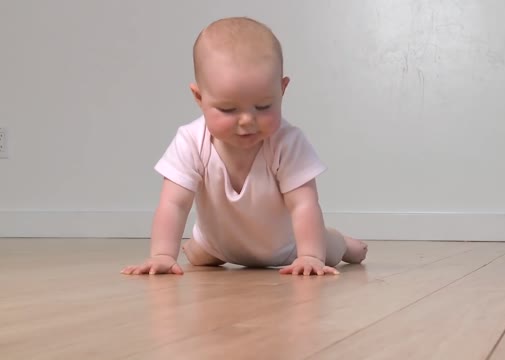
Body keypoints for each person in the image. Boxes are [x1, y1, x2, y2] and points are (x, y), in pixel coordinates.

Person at [121, 16, 368, 277]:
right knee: (198, 255)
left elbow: (304, 205)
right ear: (199, 97)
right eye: (228, 109)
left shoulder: (287, 143)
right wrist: (162, 254)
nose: (247, 121)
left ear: (282, 90)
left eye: (263, 107)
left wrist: (309, 255)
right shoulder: (191, 141)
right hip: (216, 244)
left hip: (288, 247)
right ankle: (208, 248)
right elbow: (174, 204)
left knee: (327, 247)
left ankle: (346, 243)